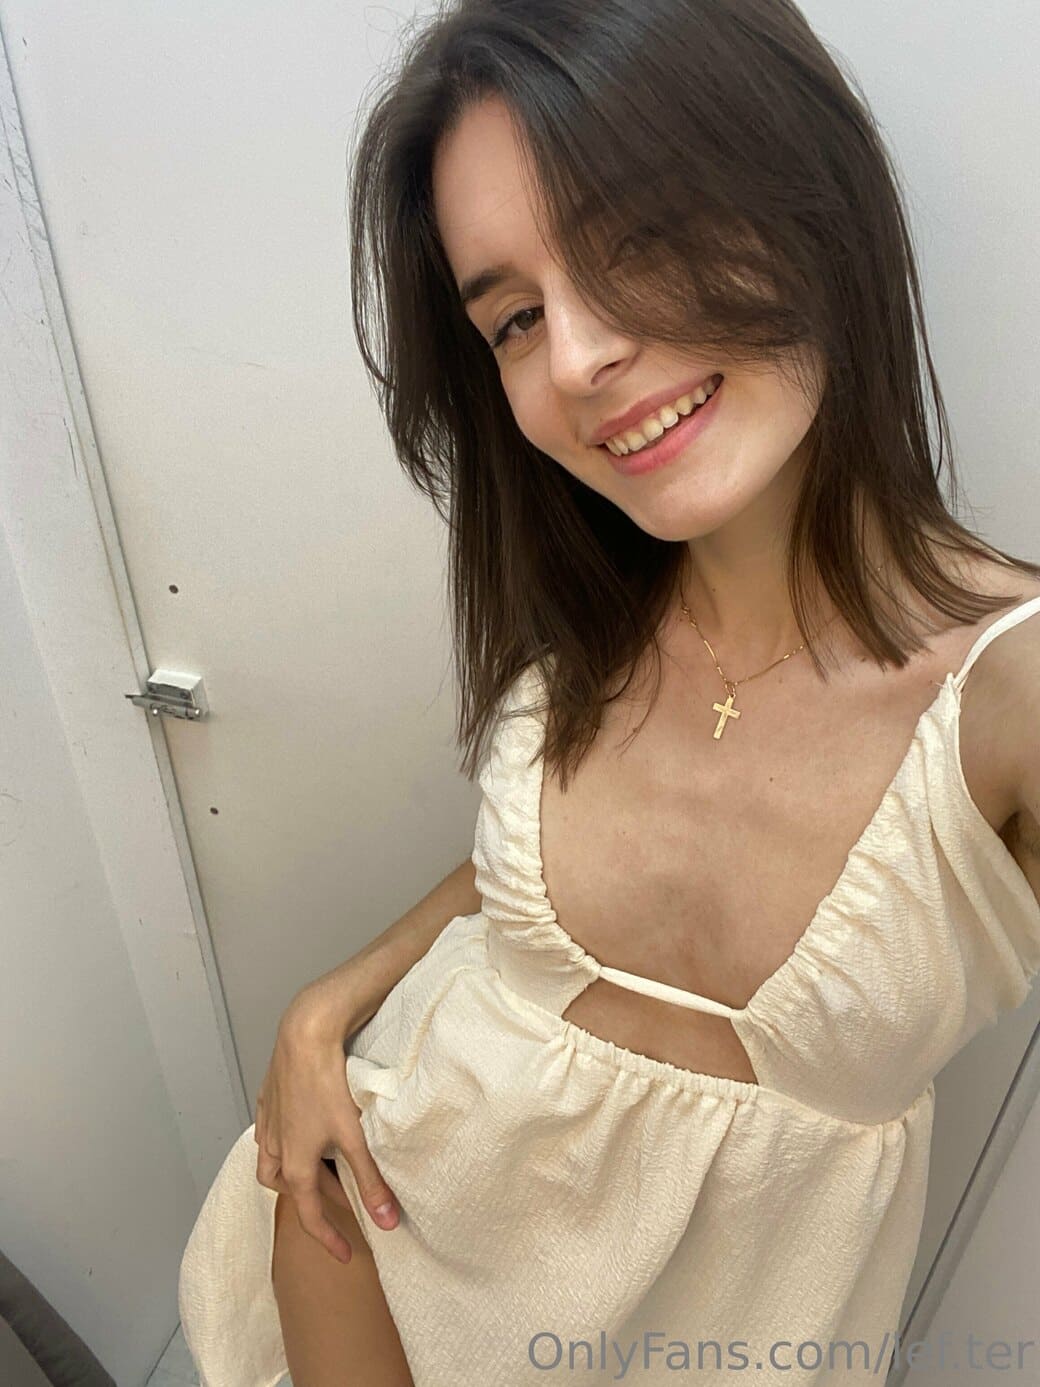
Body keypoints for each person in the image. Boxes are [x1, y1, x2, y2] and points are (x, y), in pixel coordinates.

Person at [177, 1, 1040, 1383]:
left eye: (638, 239)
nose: (575, 360)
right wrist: (325, 1007)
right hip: (360, 1262)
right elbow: (525, 892)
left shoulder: (1008, 695)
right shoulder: (592, 610)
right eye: (516, 318)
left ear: (807, 196)